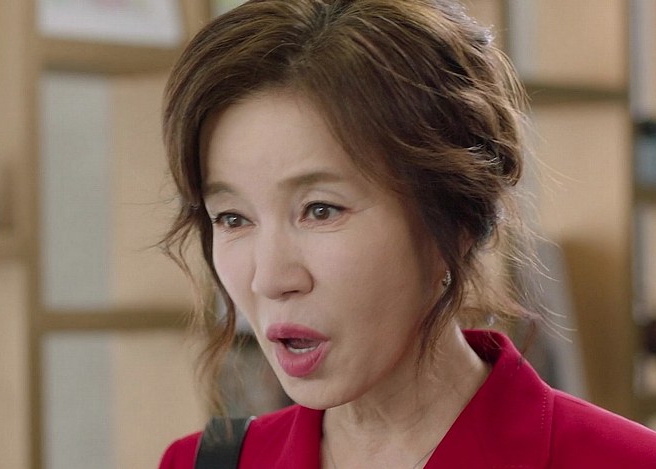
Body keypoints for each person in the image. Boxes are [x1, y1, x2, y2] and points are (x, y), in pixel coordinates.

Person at [158, 0, 656, 467]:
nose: (269, 279)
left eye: (320, 210)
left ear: (456, 218)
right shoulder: (204, 462)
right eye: (232, 218)